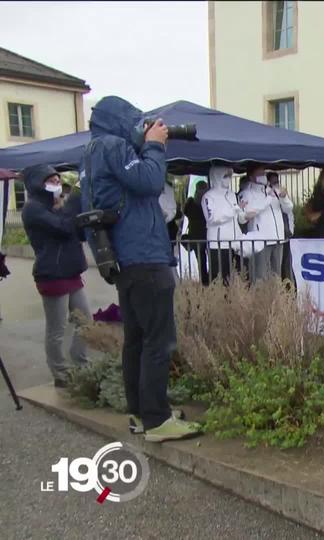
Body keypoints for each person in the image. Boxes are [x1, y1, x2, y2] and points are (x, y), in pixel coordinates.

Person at [81, 95, 201, 442]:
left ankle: (140, 412)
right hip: (144, 257)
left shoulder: (92, 151)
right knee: (159, 341)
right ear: (121, 121)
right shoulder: (113, 146)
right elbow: (149, 181)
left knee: (136, 339)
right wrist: (154, 146)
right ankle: (158, 420)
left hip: (124, 259)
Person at [20, 164, 90, 388]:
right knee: (57, 329)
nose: (57, 185)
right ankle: (60, 373)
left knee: (85, 322)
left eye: (58, 181)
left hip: (70, 272)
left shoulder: (56, 206)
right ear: (37, 184)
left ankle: (81, 364)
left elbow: (75, 228)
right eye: (51, 180)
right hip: (52, 275)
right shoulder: (33, 209)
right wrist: (75, 199)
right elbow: (62, 228)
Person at [239, 167, 293, 281]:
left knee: (276, 276)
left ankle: (275, 298)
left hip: (278, 238)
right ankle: (260, 298)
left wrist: (283, 198)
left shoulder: (272, 191)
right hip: (261, 241)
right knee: (260, 276)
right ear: (251, 177)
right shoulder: (246, 193)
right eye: (259, 173)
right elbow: (248, 212)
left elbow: (288, 208)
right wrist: (268, 199)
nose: (263, 176)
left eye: (264, 173)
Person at [202, 166, 249, 285]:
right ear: (217, 177)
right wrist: (234, 210)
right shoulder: (208, 197)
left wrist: (243, 214)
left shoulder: (232, 194)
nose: (228, 179)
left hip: (235, 244)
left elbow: (236, 218)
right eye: (225, 176)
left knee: (235, 279)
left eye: (229, 176)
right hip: (218, 245)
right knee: (218, 280)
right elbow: (212, 218)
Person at [267, 172, 295, 280]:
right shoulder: (268, 195)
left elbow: (289, 212)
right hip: (274, 237)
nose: (276, 184)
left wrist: (283, 197)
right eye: (273, 182)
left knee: (286, 265)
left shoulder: (282, 194)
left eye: (277, 182)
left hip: (286, 235)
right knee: (275, 267)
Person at [182, 180, 210, 285]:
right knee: (212, 260)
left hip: (196, 237)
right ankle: (210, 280)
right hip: (207, 235)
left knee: (201, 262)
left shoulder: (190, 204)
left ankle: (204, 282)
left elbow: (185, 212)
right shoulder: (206, 202)